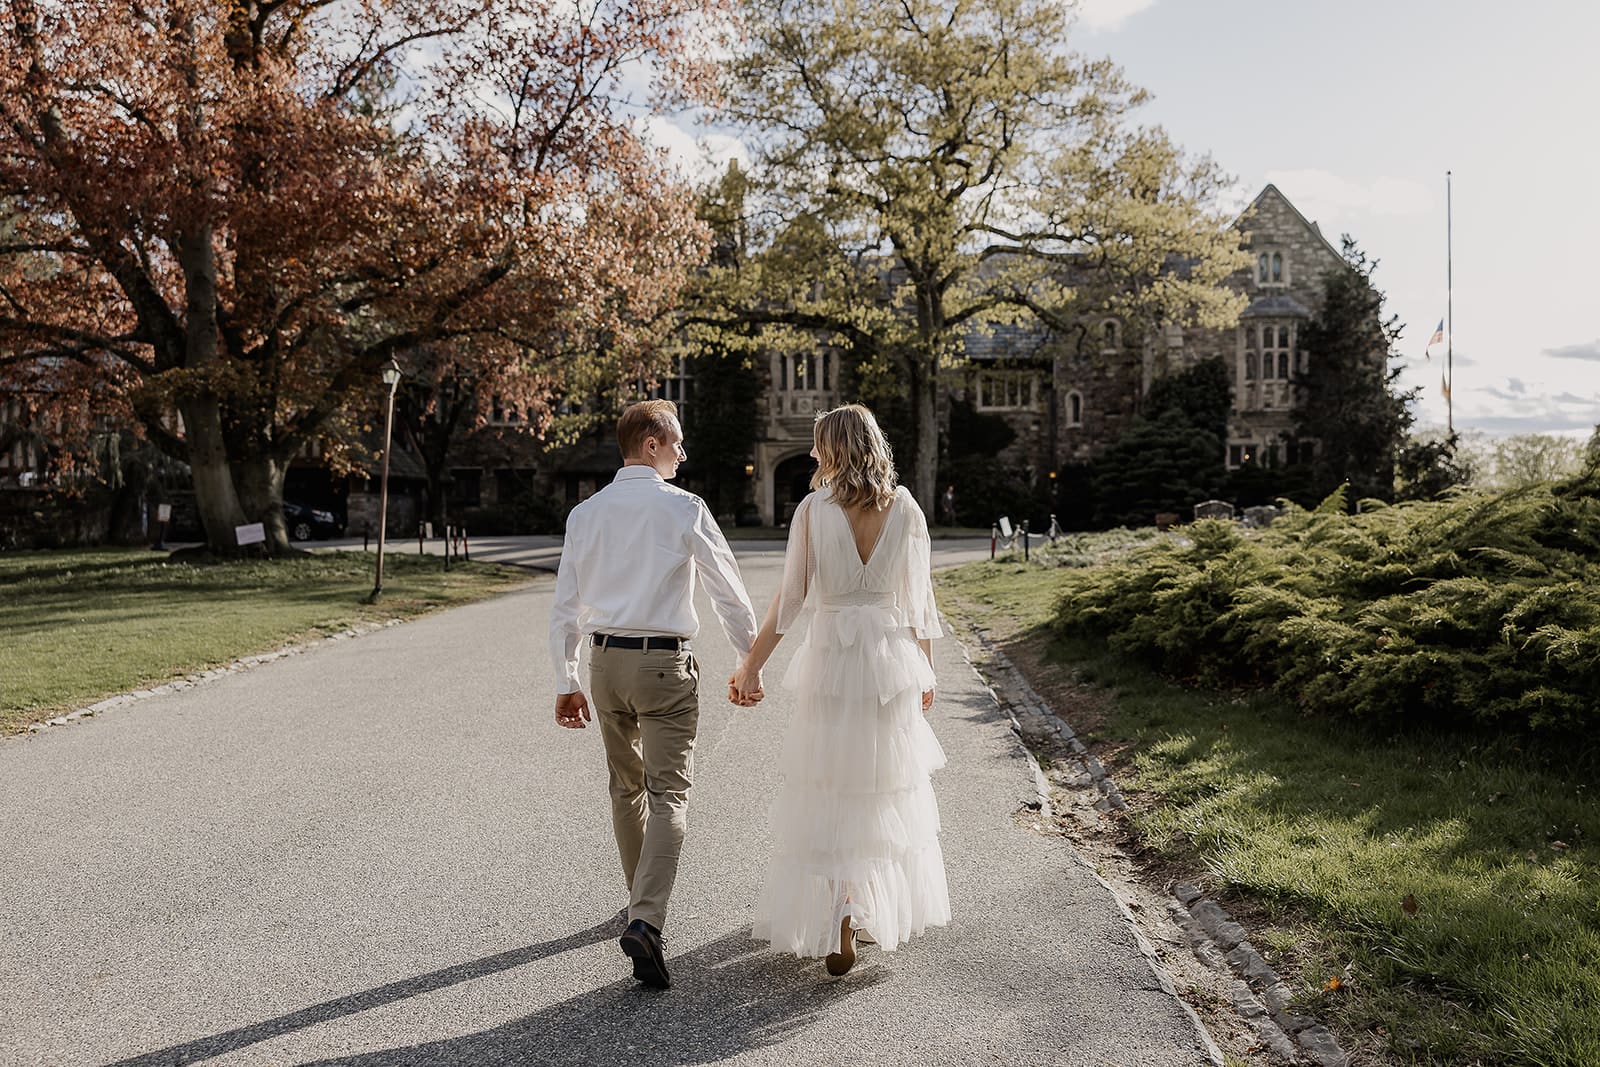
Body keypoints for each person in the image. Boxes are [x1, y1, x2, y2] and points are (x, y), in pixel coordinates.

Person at [731, 404, 950, 976]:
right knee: (879, 787)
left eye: (817, 444)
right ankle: (859, 902)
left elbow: (791, 599)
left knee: (829, 783)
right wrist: (925, 671)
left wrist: (752, 665)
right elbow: (919, 604)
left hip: (830, 658)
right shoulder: (905, 508)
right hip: (889, 660)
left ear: (834, 448)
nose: (810, 454)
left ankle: (842, 903)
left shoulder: (812, 510)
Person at [549, 399, 759, 990]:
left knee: (624, 786)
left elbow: (565, 606)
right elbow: (728, 591)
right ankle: (646, 918)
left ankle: (638, 902)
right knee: (668, 791)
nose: (682, 455)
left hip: (605, 664)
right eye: (678, 445)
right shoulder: (684, 508)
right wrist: (750, 661)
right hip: (663, 665)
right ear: (651, 444)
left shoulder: (585, 514)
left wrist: (566, 680)